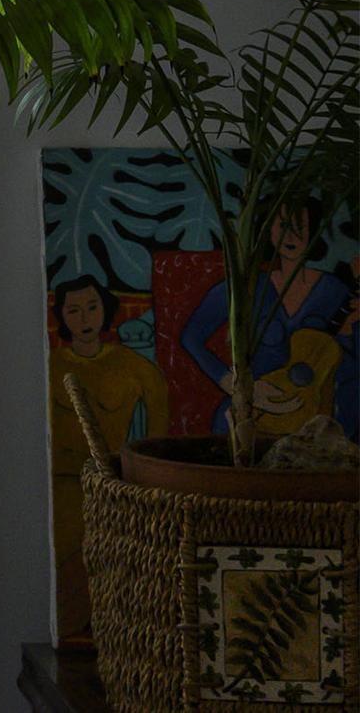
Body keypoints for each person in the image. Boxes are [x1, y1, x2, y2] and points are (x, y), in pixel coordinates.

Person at [45, 274, 167, 642]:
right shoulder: (49, 366)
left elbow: (158, 434)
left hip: (106, 483)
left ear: (105, 309)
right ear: (62, 317)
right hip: (59, 485)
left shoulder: (134, 367)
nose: (85, 318)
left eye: (92, 307)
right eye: (74, 310)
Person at [179, 199, 350, 435]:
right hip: (247, 419)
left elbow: (349, 360)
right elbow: (191, 336)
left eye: (301, 227)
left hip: (310, 420)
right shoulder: (246, 287)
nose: (291, 236)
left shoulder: (335, 291)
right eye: (284, 226)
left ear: (314, 230)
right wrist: (236, 387)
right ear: (268, 230)